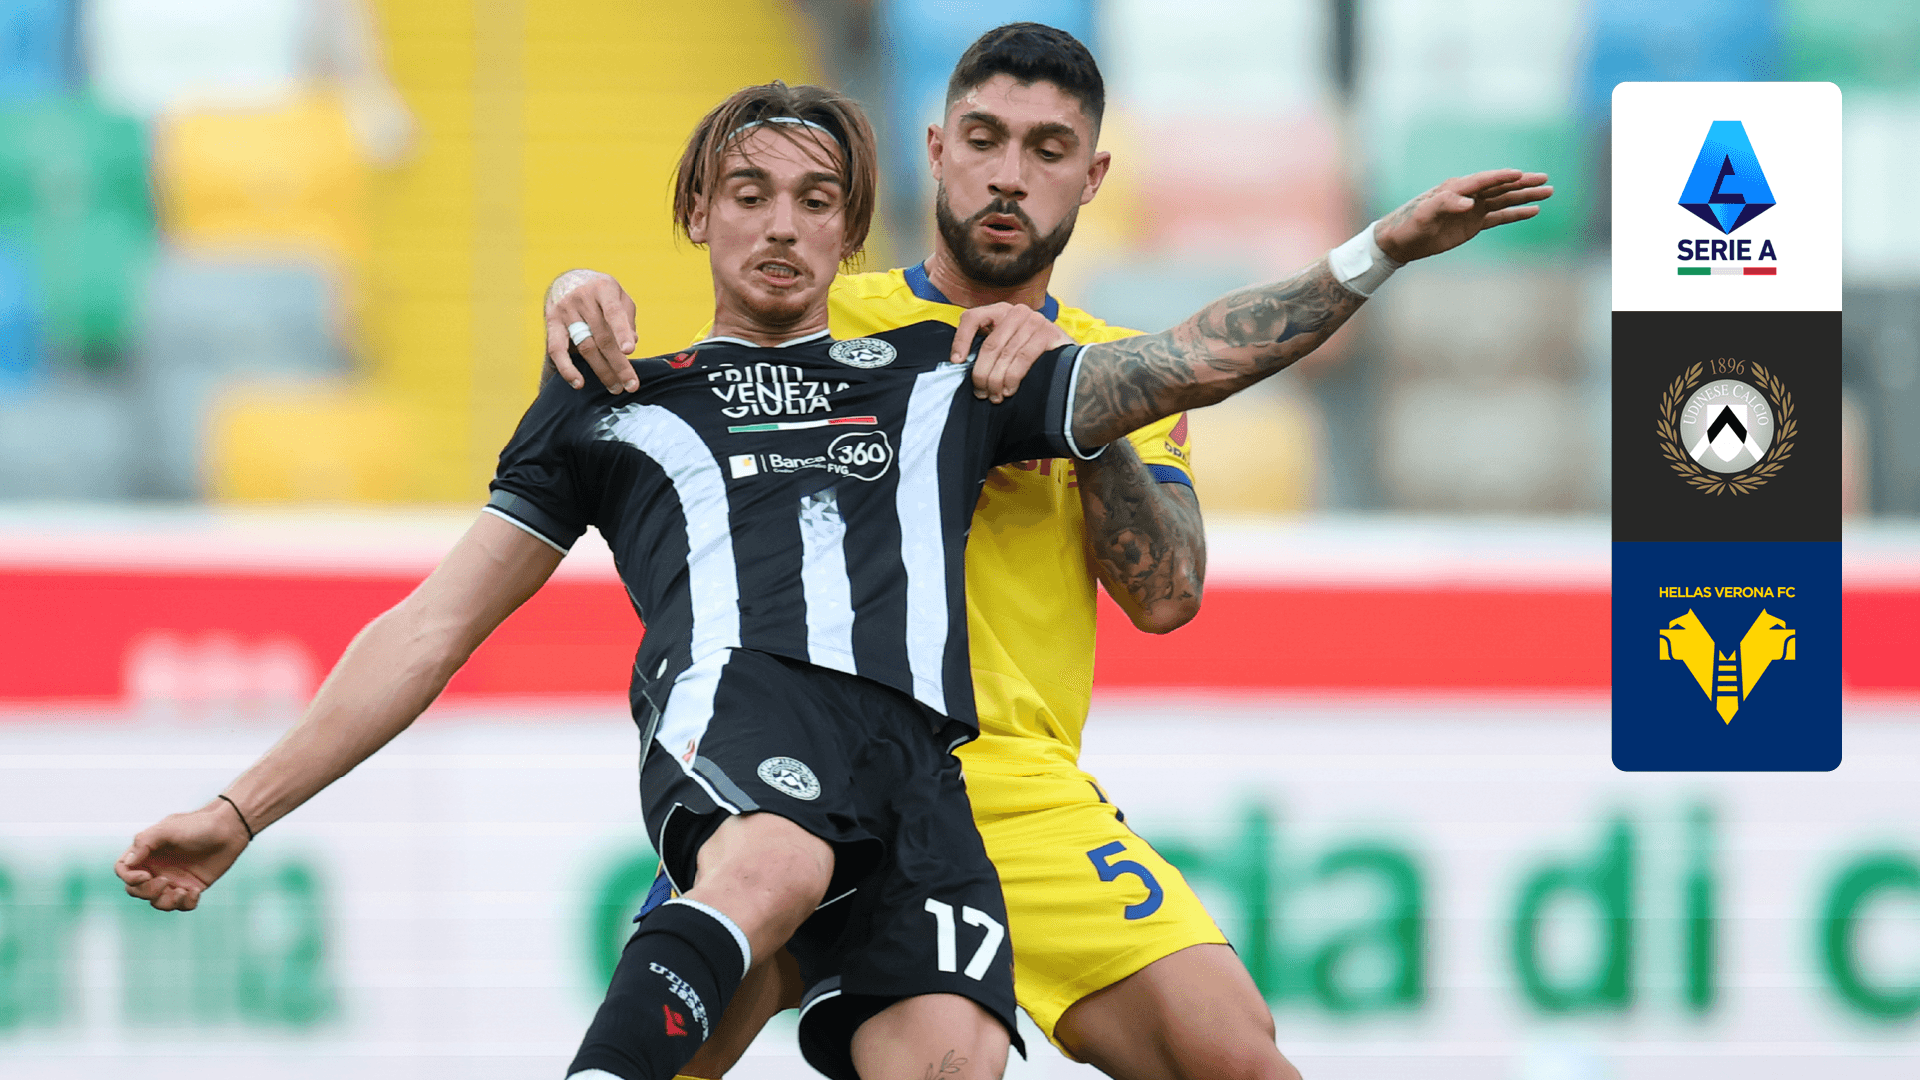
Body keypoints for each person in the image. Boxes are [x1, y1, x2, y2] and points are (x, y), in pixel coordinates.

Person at [120, 67, 1548, 1080]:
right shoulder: (651, 383)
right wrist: (242, 808)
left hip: (969, 780)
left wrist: (1372, 254)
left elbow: (1180, 461)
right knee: (767, 875)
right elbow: (435, 620)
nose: (783, 225)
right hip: (770, 733)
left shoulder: (957, 364)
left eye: (813, 201)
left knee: (1050, 1056)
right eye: (749, 195)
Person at [540, 23, 1545, 1080]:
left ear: (1094, 176)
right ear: (937, 150)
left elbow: (1167, 596)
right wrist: (574, 287)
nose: (1009, 175)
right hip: (806, 761)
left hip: (1015, 787)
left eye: (1048, 149)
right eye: (984, 139)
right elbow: (675, 377)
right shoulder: (832, 314)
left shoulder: (1116, 368)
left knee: (1236, 1055)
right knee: (664, 1054)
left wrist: (1075, 412)